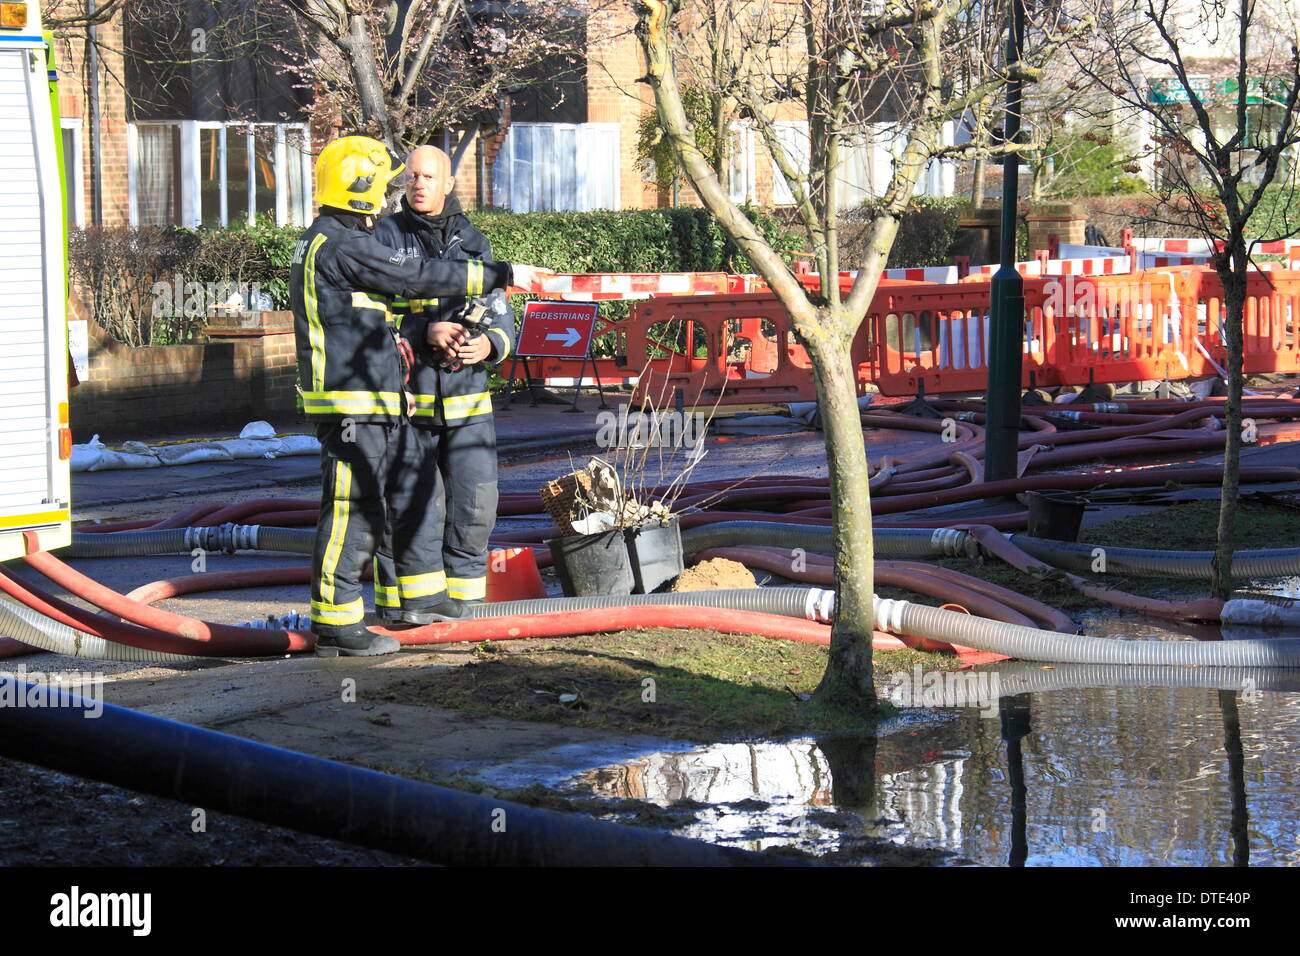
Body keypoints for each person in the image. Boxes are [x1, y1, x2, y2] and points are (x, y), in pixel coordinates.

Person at [289, 135, 545, 656]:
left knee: (418, 488)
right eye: (384, 187)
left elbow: (376, 317)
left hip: (379, 399)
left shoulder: (339, 238)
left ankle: (422, 596)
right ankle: (336, 622)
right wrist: (505, 274)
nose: (393, 195)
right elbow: (415, 277)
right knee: (353, 508)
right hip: (349, 404)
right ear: (359, 190)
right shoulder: (342, 243)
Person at [368, 145, 515, 623]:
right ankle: (400, 610)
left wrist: (489, 345)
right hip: (410, 403)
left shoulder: (474, 242)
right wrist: (422, 332)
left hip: (468, 401)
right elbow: (368, 321)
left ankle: (465, 610)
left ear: (449, 183)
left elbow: (500, 313)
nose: (419, 184)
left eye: (429, 176)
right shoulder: (383, 239)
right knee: (412, 508)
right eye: (411, 176)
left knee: (475, 507)